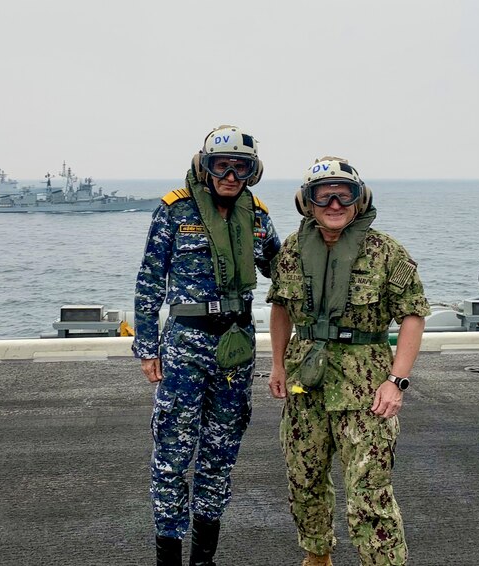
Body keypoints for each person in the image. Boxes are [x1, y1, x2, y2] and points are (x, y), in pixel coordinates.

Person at [267, 157, 430, 566]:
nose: (335, 204)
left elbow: (413, 315)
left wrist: (397, 381)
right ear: (307, 202)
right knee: (303, 480)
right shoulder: (291, 250)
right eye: (324, 195)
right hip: (305, 386)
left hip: (366, 391)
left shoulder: (385, 251)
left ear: (360, 199)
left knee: (369, 493)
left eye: (345, 194)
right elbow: (281, 308)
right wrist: (278, 365)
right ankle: (317, 555)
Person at [133, 125, 281, 565]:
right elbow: (149, 280)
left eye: (241, 167)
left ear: (253, 172)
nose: (231, 176)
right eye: (222, 166)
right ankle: (168, 559)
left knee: (221, 454)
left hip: (236, 350)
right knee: (173, 455)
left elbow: (281, 268)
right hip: (185, 347)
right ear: (205, 166)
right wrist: (147, 347)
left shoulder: (256, 216)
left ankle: (203, 559)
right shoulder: (174, 210)